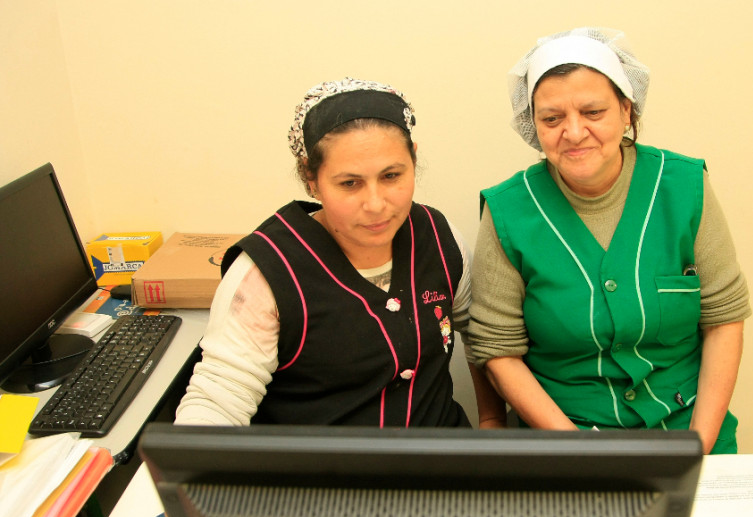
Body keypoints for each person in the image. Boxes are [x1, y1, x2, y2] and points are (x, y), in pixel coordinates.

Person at [468, 28, 751, 453]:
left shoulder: (683, 187)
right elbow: (498, 352)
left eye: (593, 112)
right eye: (552, 118)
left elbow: (723, 320)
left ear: (626, 110)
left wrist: (699, 446)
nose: (574, 132)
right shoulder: (508, 211)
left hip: (689, 426)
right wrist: (578, 452)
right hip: (562, 436)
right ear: (534, 126)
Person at [176, 77, 506, 429]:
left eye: (392, 176)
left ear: (413, 160)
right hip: (324, 477)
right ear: (311, 178)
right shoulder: (266, 274)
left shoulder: (440, 239)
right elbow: (217, 402)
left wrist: (490, 420)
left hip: (440, 464)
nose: (376, 204)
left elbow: (478, 334)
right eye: (350, 183)